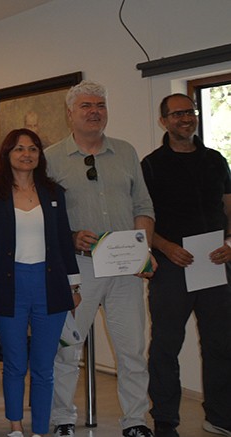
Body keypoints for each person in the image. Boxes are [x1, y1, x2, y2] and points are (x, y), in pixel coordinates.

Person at [46, 80, 156, 437]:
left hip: (126, 269)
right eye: (86, 106)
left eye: (100, 105)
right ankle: (63, 418)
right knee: (67, 348)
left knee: (132, 350)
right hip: (80, 267)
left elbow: (143, 206)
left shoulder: (125, 152)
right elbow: (44, 217)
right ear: (70, 113)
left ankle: (135, 421)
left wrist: (144, 251)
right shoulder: (51, 159)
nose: (95, 112)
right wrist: (70, 236)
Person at [141, 94, 231, 437]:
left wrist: (229, 244)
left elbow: (229, 206)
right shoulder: (151, 165)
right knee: (165, 346)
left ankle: (220, 416)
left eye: (190, 112)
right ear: (163, 121)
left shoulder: (215, 160)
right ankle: (165, 420)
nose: (186, 118)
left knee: (221, 344)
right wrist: (166, 247)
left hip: (215, 264)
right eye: (177, 114)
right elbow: (143, 217)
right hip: (171, 267)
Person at [0, 129, 81, 437]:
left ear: (40, 155)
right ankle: (15, 426)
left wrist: (74, 285)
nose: (26, 154)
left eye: (33, 149)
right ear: (7, 155)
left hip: (49, 285)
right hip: (9, 287)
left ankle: (40, 429)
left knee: (44, 365)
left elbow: (64, 240)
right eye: (19, 149)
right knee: (15, 363)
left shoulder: (54, 193)